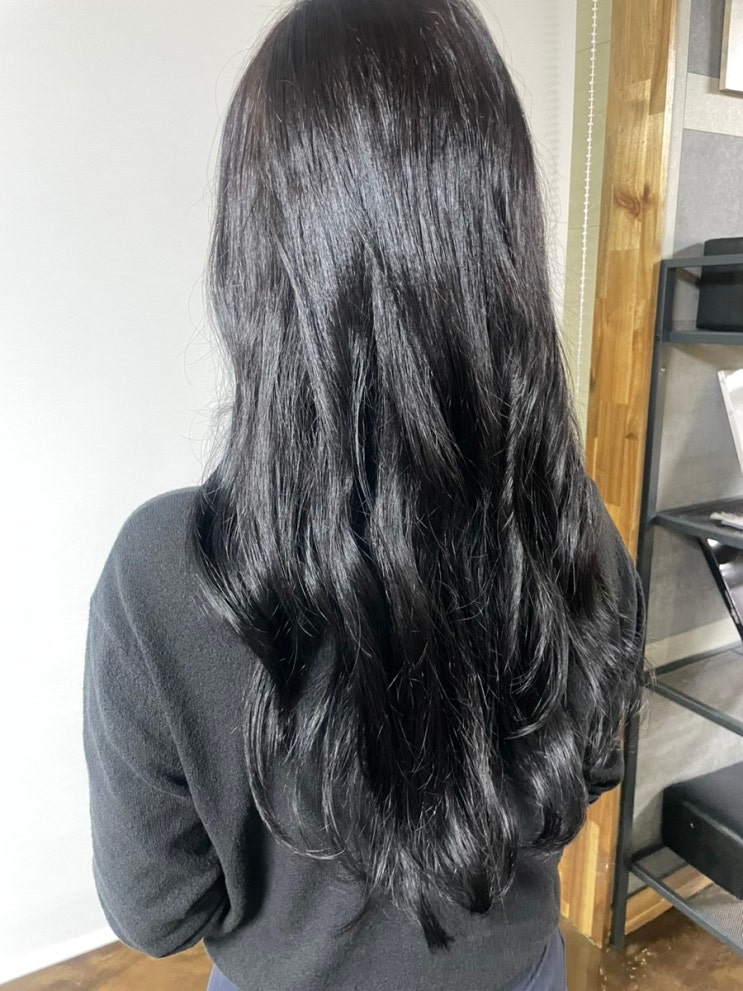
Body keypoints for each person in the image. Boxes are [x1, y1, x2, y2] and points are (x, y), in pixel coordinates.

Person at [83, 0, 646, 988]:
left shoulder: (163, 574)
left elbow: (157, 909)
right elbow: (585, 772)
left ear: (257, 252)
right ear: (498, 242)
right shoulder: (571, 531)